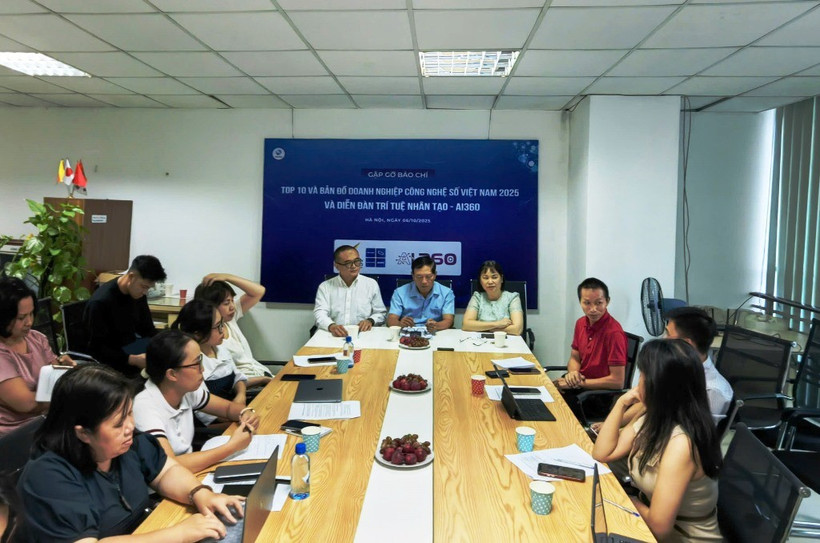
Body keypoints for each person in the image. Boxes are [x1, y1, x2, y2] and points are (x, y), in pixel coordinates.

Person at [17, 364, 244, 542]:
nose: (130, 427)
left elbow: (166, 471)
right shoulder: (48, 477)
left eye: (129, 413)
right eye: (118, 423)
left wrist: (200, 494)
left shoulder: (127, 443)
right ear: (83, 433)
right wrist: (180, 534)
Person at [593, 339, 723, 542]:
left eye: (643, 375)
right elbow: (603, 453)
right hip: (644, 520)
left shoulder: (682, 444)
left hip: (681, 537)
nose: (639, 383)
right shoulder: (653, 414)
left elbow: (659, 528)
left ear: (659, 385)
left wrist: (625, 499)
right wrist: (621, 403)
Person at [134, 330, 260, 474]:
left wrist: (246, 412)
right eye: (196, 364)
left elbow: (228, 409)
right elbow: (169, 465)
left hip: (190, 472)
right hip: (168, 481)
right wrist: (232, 447)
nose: (203, 369)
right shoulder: (144, 407)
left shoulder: (185, 390)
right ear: (172, 374)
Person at [0, 277, 74, 436]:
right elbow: (27, 404)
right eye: (21, 318)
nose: (29, 322)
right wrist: (67, 391)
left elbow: (55, 375)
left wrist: (65, 368)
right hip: (15, 434)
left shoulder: (36, 338)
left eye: (31, 314)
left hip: (45, 420)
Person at [84, 255, 167, 377]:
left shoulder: (137, 294)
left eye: (148, 288)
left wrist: (165, 345)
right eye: (144, 287)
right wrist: (133, 359)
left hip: (129, 348)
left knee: (169, 357)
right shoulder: (101, 302)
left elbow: (147, 329)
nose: (145, 292)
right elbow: (97, 349)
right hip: (110, 360)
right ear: (131, 276)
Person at [172, 300, 248, 418]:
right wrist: (239, 414)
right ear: (198, 333)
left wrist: (241, 396)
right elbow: (208, 418)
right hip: (219, 422)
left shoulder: (220, 347)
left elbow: (238, 377)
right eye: (217, 326)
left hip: (235, 411)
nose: (222, 330)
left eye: (222, 324)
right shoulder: (191, 364)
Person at [195, 273, 272, 387]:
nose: (232, 307)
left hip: (262, 374)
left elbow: (259, 291)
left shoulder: (230, 319)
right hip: (249, 385)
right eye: (226, 303)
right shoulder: (210, 338)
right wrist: (263, 380)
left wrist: (226, 277)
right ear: (210, 307)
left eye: (232, 300)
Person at [554, 277, 627, 392]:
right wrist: (573, 374)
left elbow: (617, 382)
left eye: (599, 303)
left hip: (597, 393)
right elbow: (575, 357)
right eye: (587, 303)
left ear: (607, 301)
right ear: (580, 302)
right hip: (581, 385)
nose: (593, 309)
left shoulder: (614, 333)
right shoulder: (580, 323)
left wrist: (579, 383)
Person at [313, 245, 386, 338]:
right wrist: (331, 326)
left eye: (357, 261)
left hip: (363, 335)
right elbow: (320, 313)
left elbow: (380, 313)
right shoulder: (325, 287)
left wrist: (370, 321)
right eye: (348, 263)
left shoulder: (371, 284)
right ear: (336, 266)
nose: (354, 266)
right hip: (333, 335)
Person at [387, 255, 455, 333]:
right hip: (408, 332)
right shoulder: (400, 292)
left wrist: (436, 325)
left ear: (435, 275)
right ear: (413, 276)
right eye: (419, 276)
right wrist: (400, 324)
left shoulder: (446, 293)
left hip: (435, 332)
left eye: (428, 276)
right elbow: (391, 320)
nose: (424, 281)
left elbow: (449, 321)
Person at [461, 260, 523, 335]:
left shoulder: (512, 298)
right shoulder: (477, 297)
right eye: (485, 278)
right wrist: (497, 324)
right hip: (479, 340)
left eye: (494, 277)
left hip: (506, 340)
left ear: (501, 279)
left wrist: (482, 327)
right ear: (480, 281)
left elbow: (517, 329)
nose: (490, 281)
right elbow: (466, 325)